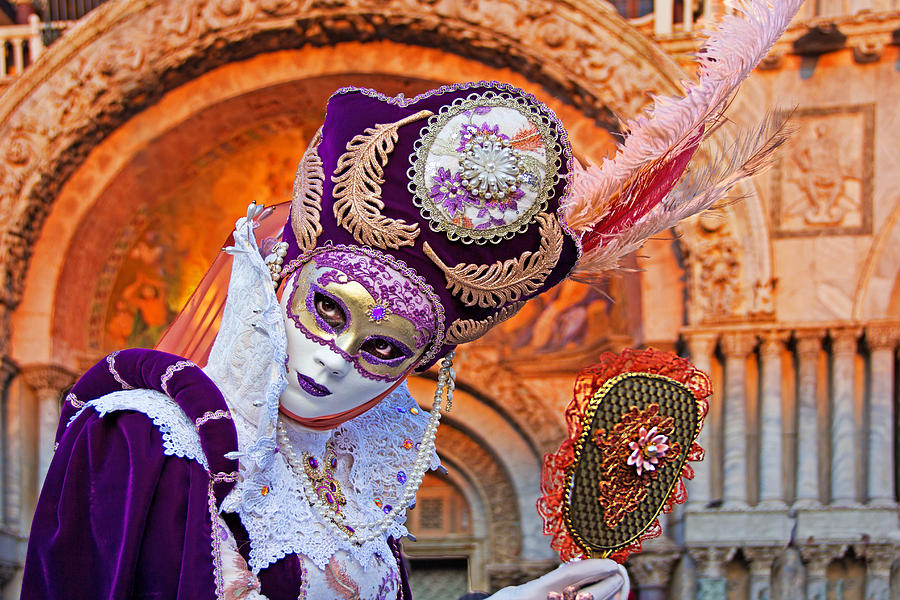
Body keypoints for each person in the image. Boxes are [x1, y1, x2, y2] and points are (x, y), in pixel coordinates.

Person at [22, 0, 802, 595]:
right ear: (282, 283)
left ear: (418, 370)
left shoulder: (358, 491)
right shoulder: (148, 440)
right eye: (329, 310)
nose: (333, 362)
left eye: (385, 348)